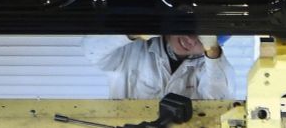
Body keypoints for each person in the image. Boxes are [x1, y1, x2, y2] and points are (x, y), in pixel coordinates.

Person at [82, 34, 237, 100]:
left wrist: (212, 51)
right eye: (187, 27)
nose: (190, 39)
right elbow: (90, 50)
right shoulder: (132, 49)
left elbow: (219, 99)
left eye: (201, 37)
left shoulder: (210, 67)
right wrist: (133, 33)